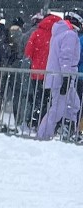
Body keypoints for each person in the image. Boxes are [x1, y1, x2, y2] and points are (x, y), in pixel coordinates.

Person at [36, 12, 82, 140]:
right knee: (58, 108)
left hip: (58, 76)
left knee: (74, 104)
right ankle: (43, 135)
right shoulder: (70, 35)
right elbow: (66, 57)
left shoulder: (59, 33)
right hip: (63, 78)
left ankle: (66, 130)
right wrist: (66, 77)